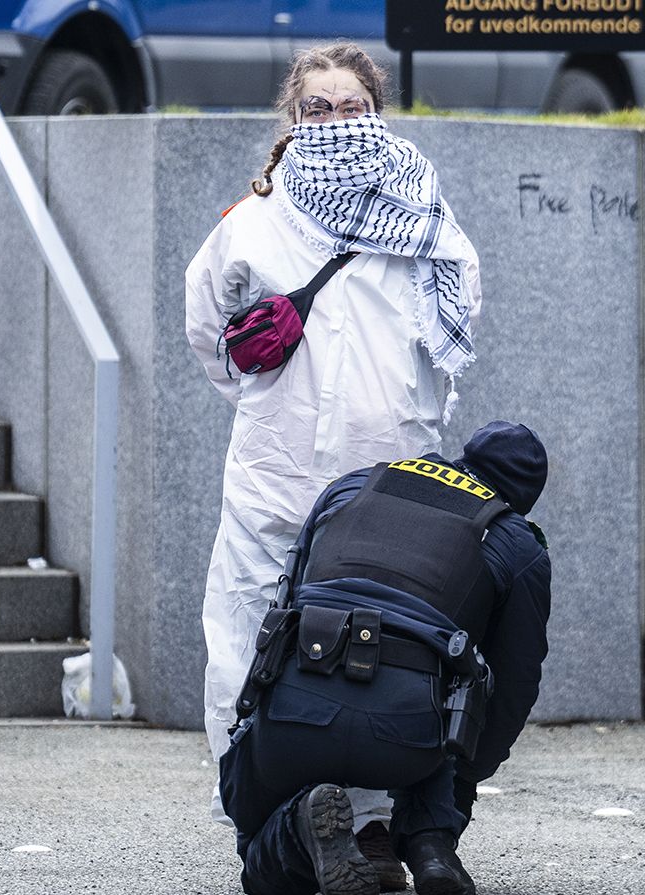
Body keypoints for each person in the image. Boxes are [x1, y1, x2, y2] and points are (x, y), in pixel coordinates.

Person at [184, 41, 483, 892]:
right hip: (274, 478)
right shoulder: (253, 220)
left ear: (377, 111)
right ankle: (266, 817)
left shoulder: (423, 218)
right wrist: (268, 407)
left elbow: (452, 328)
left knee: (380, 658)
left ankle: (368, 827)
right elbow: (209, 330)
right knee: (246, 646)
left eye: (352, 108)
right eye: (318, 109)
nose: (337, 124)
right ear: (292, 119)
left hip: (385, 493)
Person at [219, 422, 552, 895]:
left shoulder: (356, 483)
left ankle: (297, 831)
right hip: (408, 731)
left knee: (255, 844)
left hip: (297, 705)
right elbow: (515, 682)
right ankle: (432, 848)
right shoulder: (514, 539)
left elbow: (286, 602)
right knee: (456, 689)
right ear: (520, 498)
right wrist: (466, 775)